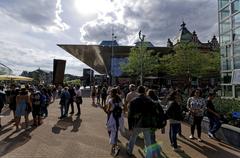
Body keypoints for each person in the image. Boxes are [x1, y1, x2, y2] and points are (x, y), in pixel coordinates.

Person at [126, 86, 155, 156]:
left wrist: (130, 126)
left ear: (137, 91)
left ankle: (129, 151)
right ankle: (149, 154)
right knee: (148, 140)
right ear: (145, 91)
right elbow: (153, 113)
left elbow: (130, 115)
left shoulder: (133, 101)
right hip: (147, 123)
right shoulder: (150, 101)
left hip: (137, 123)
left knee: (133, 138)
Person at [106, 88, 124, 157]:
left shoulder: (111, 100)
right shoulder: (119, 100)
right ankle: (115, 146)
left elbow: (108, 110)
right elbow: (123, 108)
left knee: (112, 131)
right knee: (116, 131)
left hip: (112, 117)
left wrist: (106, 109)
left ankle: (115, 147)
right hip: (119, 118)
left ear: (112, 93)